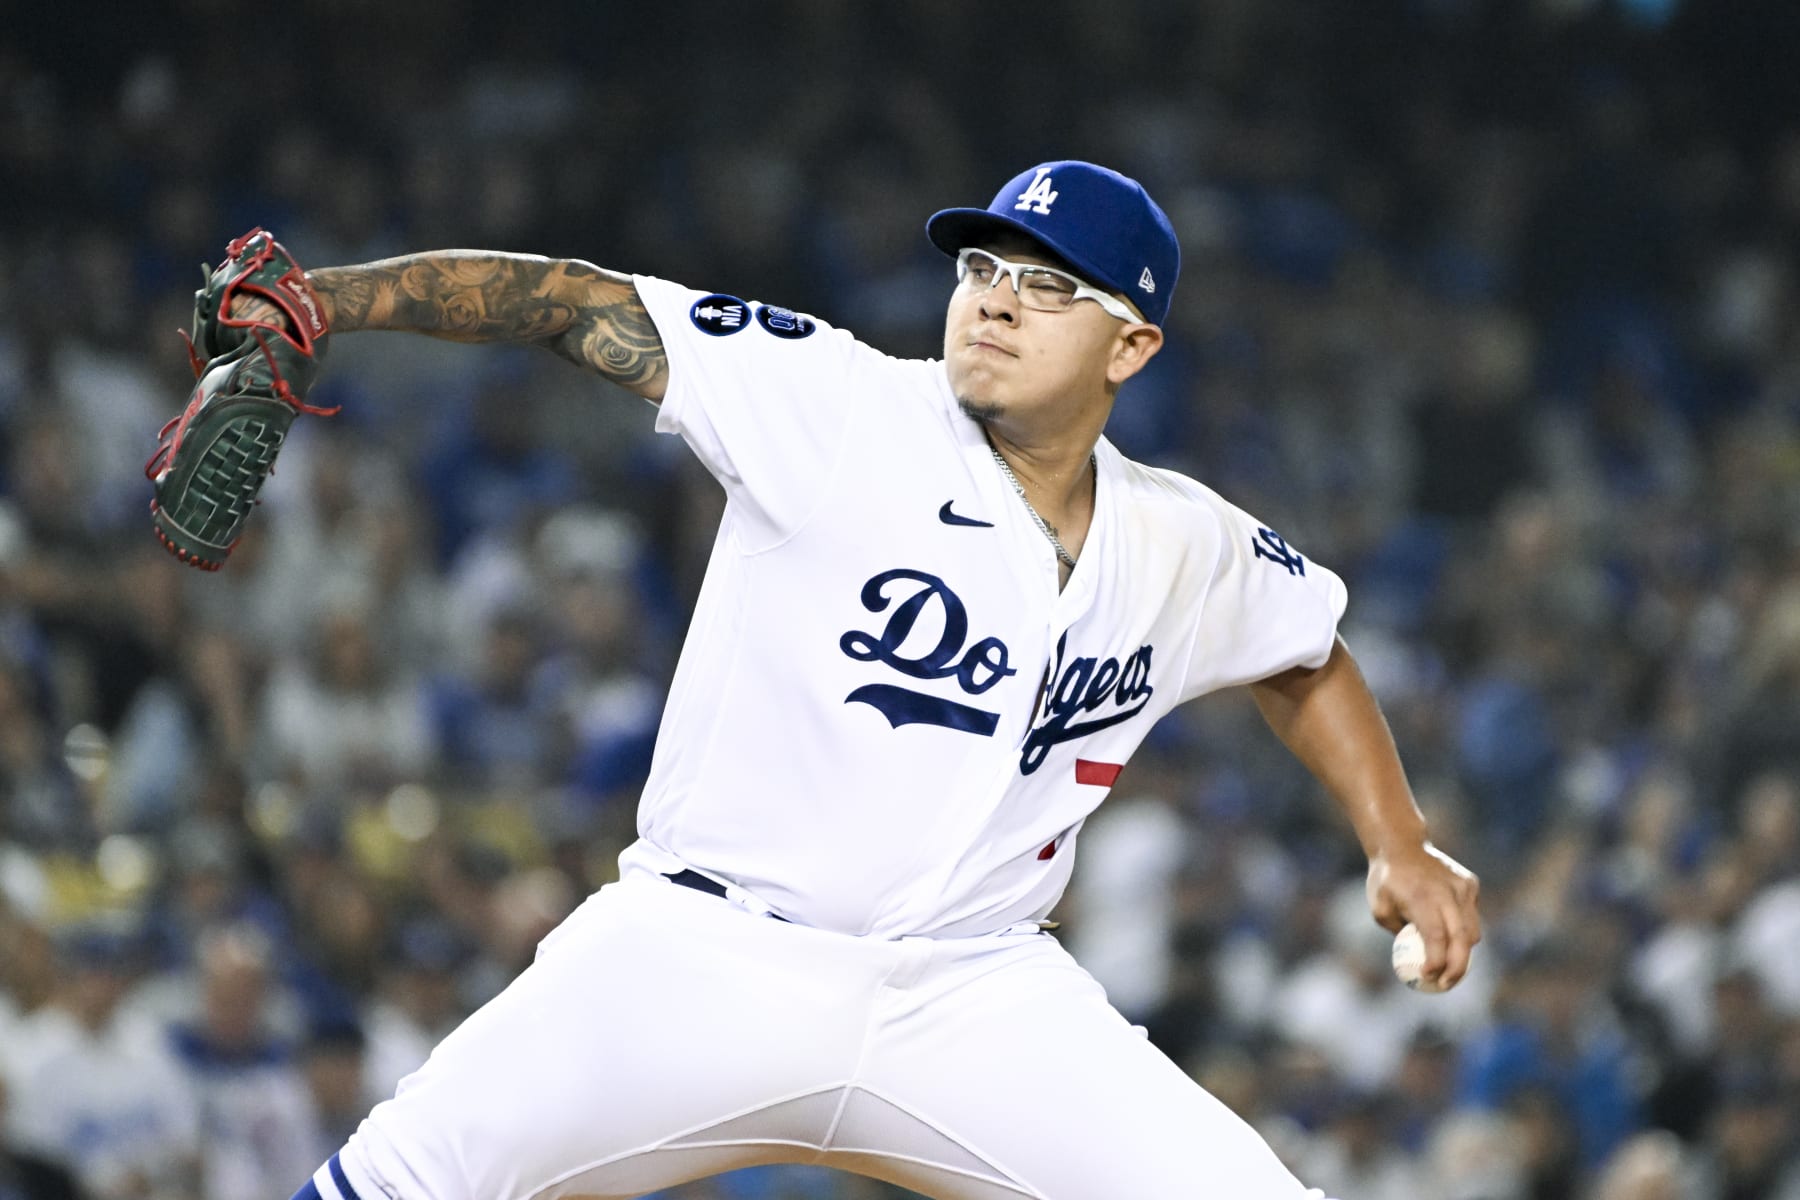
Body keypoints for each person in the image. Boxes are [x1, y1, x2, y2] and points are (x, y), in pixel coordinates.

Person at [248, 161, 1478, 1200]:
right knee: (399, 1178)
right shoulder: (838, 404)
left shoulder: (1180, 541)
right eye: (981, 271)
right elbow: (575, 304)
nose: (996, 304)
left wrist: (1398, 841)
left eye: (1048, 287)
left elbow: (1306, 656)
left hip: (976, 994)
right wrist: (326, 298)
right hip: (705, 951)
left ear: (1133, 343)